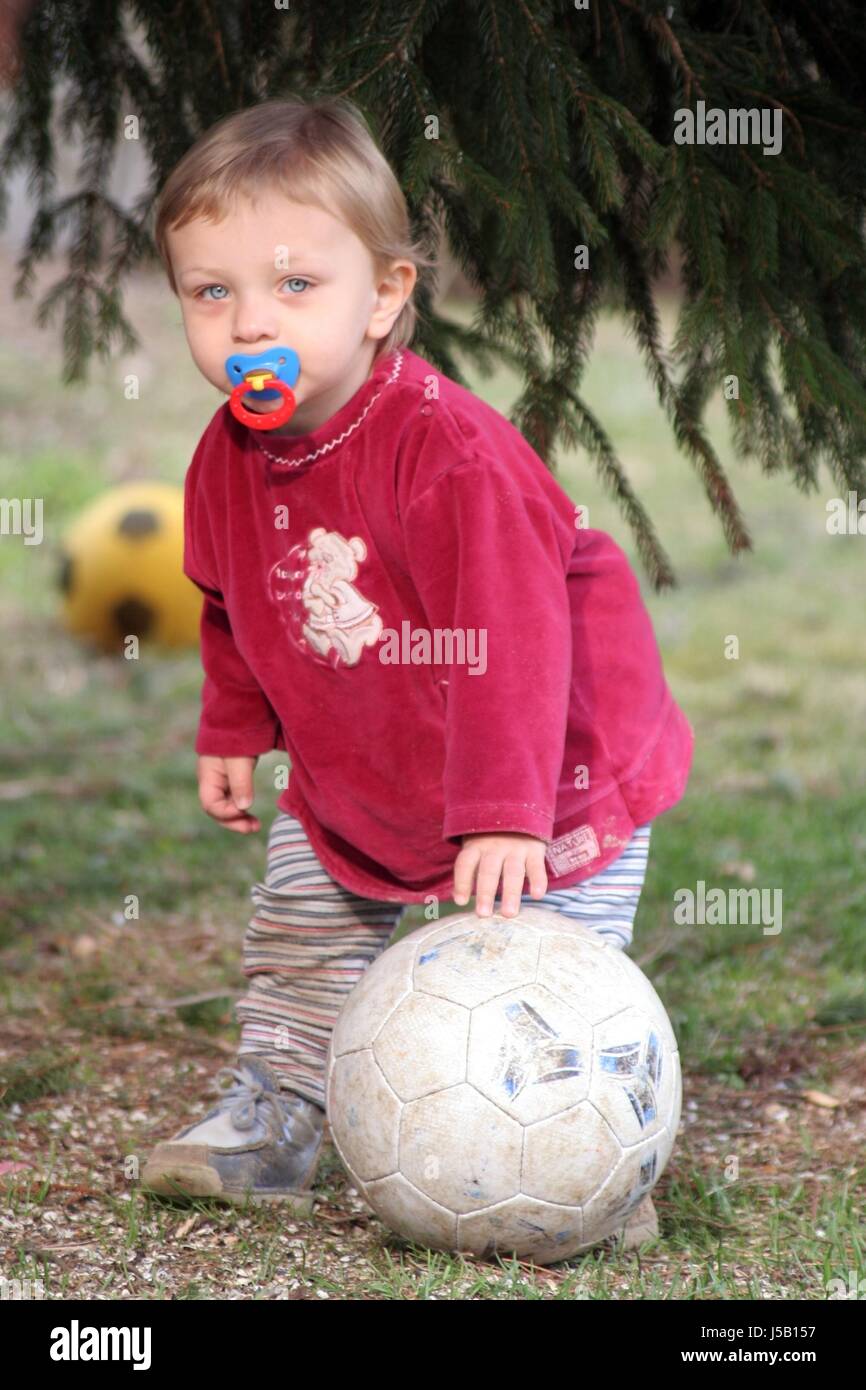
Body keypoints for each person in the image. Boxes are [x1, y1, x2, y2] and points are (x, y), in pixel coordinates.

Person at [141, 96, 694, 1249]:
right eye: (212, 292)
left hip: (547, 768)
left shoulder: (440, 452)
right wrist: (230, 729)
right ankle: (278, 1113)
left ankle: (590, 1156)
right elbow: (230, 599)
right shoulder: (226, 455)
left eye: (296, 286)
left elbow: (513, 637)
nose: (248, 325)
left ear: (384, 295)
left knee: (542, 980)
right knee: (299, 924)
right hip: (369, 758)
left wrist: (503, 815)